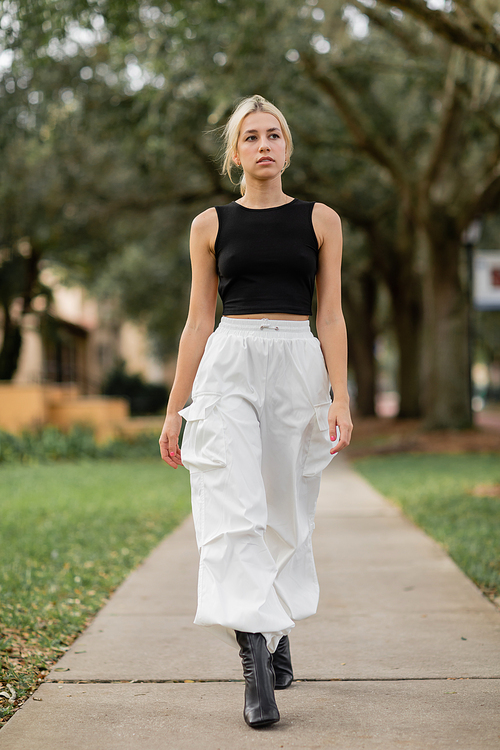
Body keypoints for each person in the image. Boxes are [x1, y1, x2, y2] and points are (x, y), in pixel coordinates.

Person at [159, 94, 353, 729]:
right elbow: (195, 322)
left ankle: (277, 623)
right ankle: (255, 665)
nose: (264, 145)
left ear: (287, 148)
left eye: (274, 135)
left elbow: (331, 315)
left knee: (285, 508)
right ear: (234, 153)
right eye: (251, 137)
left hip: (299, 362)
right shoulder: (209, 225)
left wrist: (341, 397)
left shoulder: (321, 220)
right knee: (233, 509)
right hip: (230, 362)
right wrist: (174, 411)